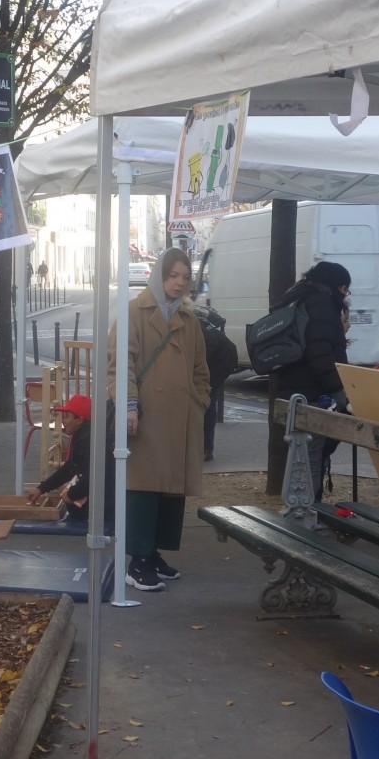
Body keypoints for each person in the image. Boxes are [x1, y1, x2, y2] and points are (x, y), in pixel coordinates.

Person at [110, 247, 208, 592]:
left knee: (171, 486)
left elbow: (200, 369)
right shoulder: (134, 311)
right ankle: (136, 561)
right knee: (143, 486)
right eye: (173, 275)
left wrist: (199, 402)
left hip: (180, 416)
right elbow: (121, 365)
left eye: (185, 276)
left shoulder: (189, 318)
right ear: (159, 275)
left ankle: (152, 553)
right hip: (146, 414)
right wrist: (130, 405)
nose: (179, 283)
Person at [269, 260, 351, 500]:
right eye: (345, 288)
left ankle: (303, 509)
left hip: (291, 390)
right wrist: (340, 392)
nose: (345, 295)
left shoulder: (297, 297)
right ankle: (307, 514)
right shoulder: (322, 304)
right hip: (312, 394)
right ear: (337, 286)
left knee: (302, 455)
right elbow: (320, 354)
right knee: (311, 457)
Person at [27, 393, 111, 526]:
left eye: (66, 416)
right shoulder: (84, 436)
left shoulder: (86, 440)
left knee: (72, 504)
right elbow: (69, 468)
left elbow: (94, 477)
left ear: (79, 420)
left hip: (103, 506)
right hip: (103, 499)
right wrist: (41, 489)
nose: (63, 421)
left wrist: (71, 495)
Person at [194, 301, 239, 462]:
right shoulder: (194, 312)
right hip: (221, 355)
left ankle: (206, 449)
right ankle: (204, 447)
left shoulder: (188, 322)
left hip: (217, 361)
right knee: (206, 403)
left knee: (207, 404)